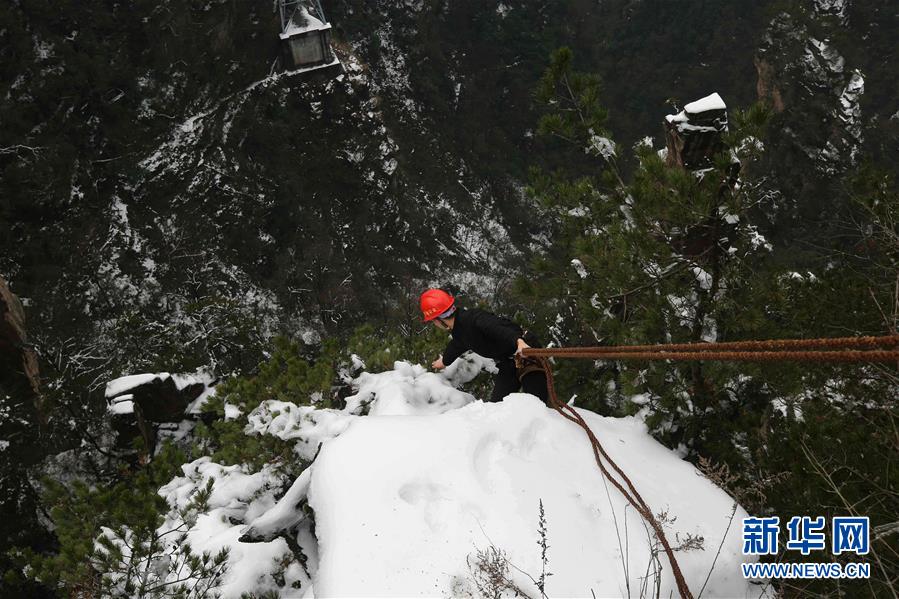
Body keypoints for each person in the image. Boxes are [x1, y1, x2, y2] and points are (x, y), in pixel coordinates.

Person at [420, 288, 548, 404]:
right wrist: (444, 361)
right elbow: (456, 346)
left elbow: (498, 328)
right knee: (497, 406)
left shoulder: (474, 319)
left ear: (437, 320)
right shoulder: (460, 330)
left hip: (527, 352)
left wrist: (519, 342)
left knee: (537, 404)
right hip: (509, 360)